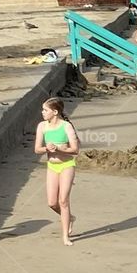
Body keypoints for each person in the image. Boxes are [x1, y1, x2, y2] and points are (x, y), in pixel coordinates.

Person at [34, 97, 79, 246]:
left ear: (55, 112)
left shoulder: (66, 126)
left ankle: (65, 237)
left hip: (67, 165)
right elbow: (37, 149)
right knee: (52, 203)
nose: (42, 112)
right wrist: (47, 148)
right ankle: (70, 218)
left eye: (45, 110)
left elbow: (75, 150)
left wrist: (59, 148)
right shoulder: (42, 126)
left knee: (63, 200)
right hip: (52, 166)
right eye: (43, 109)